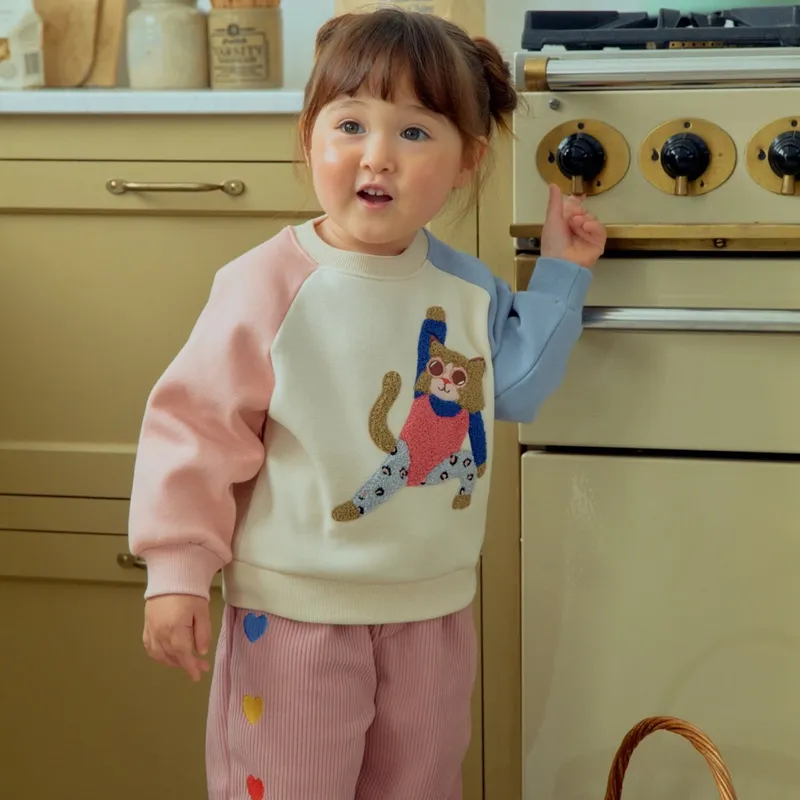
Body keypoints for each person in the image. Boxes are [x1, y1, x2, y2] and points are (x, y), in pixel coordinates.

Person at [127, 7, 606, 800]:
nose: (377, 155)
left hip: (434, 614)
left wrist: (561, 273)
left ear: (467, 160)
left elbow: (515, 388)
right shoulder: (266, 284)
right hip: (292, 620)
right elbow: (197, 432)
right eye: (351, 125)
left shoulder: (467, 288)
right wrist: (177, 571)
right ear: (310, 137)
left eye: (414, 132)